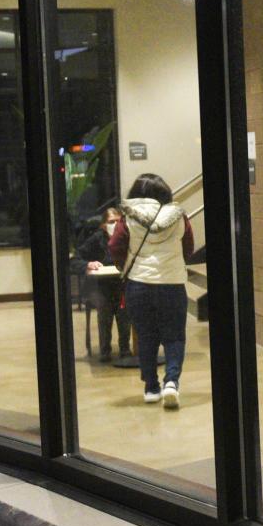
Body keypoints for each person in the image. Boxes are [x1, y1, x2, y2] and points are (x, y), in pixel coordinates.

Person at [109, 173, 193, 409]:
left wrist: (122, 265)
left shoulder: (127, 219)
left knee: (146, 336)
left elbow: (115, 246)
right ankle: (171, 383)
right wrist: (175, 264)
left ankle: (151, 388)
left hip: (139, 284)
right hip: (172, 284)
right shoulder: (179, 217)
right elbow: (189, 247)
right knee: (174, 336)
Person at [71, 207, 130, 363]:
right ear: (104, 225)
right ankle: (105, 350)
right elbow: (74, 260)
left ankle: (125, 349)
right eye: (111, 222)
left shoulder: (128, 238)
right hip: (100, 285)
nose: (116, 225)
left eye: (118, 221)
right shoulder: (97, 239)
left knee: (124, 309)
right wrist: (88, 264)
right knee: (105, 307)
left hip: (121, 283)